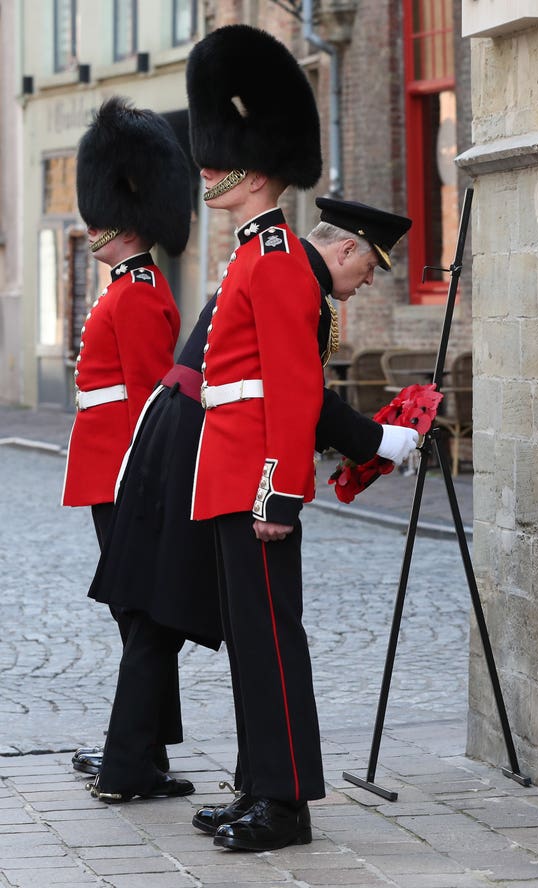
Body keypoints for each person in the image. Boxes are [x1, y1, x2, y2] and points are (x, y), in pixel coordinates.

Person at [82, 196, 415, 805]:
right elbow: (295, 390)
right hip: (208, 453)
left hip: (202, 449)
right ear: (345, 248)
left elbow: (279, 392)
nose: (366, 283)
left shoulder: (269, 259)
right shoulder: (284, 268)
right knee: (219, 621)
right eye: (368, 268)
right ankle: (255, 786)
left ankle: (160, 763)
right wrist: (376, 441)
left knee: (182, 613)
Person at [187, 25, 415, 853]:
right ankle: (259, 783)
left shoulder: (277, 257)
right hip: (230, 469)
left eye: (221, 161)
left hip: (257, 478)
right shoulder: (252, 256)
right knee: (250, 642)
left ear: (257, 166)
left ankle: (285, 803)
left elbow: (291, 388)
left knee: (272, 642)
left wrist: (280, 489)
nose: (208, 171)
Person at [62, 95, 193, 796]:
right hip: (103, 469)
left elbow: (150, 405)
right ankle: (144, 750)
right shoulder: (124, 288)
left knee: (141, 613)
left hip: (125, 473)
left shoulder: (141, 293)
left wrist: (151, 483)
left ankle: (137, 754)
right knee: (135, 613)